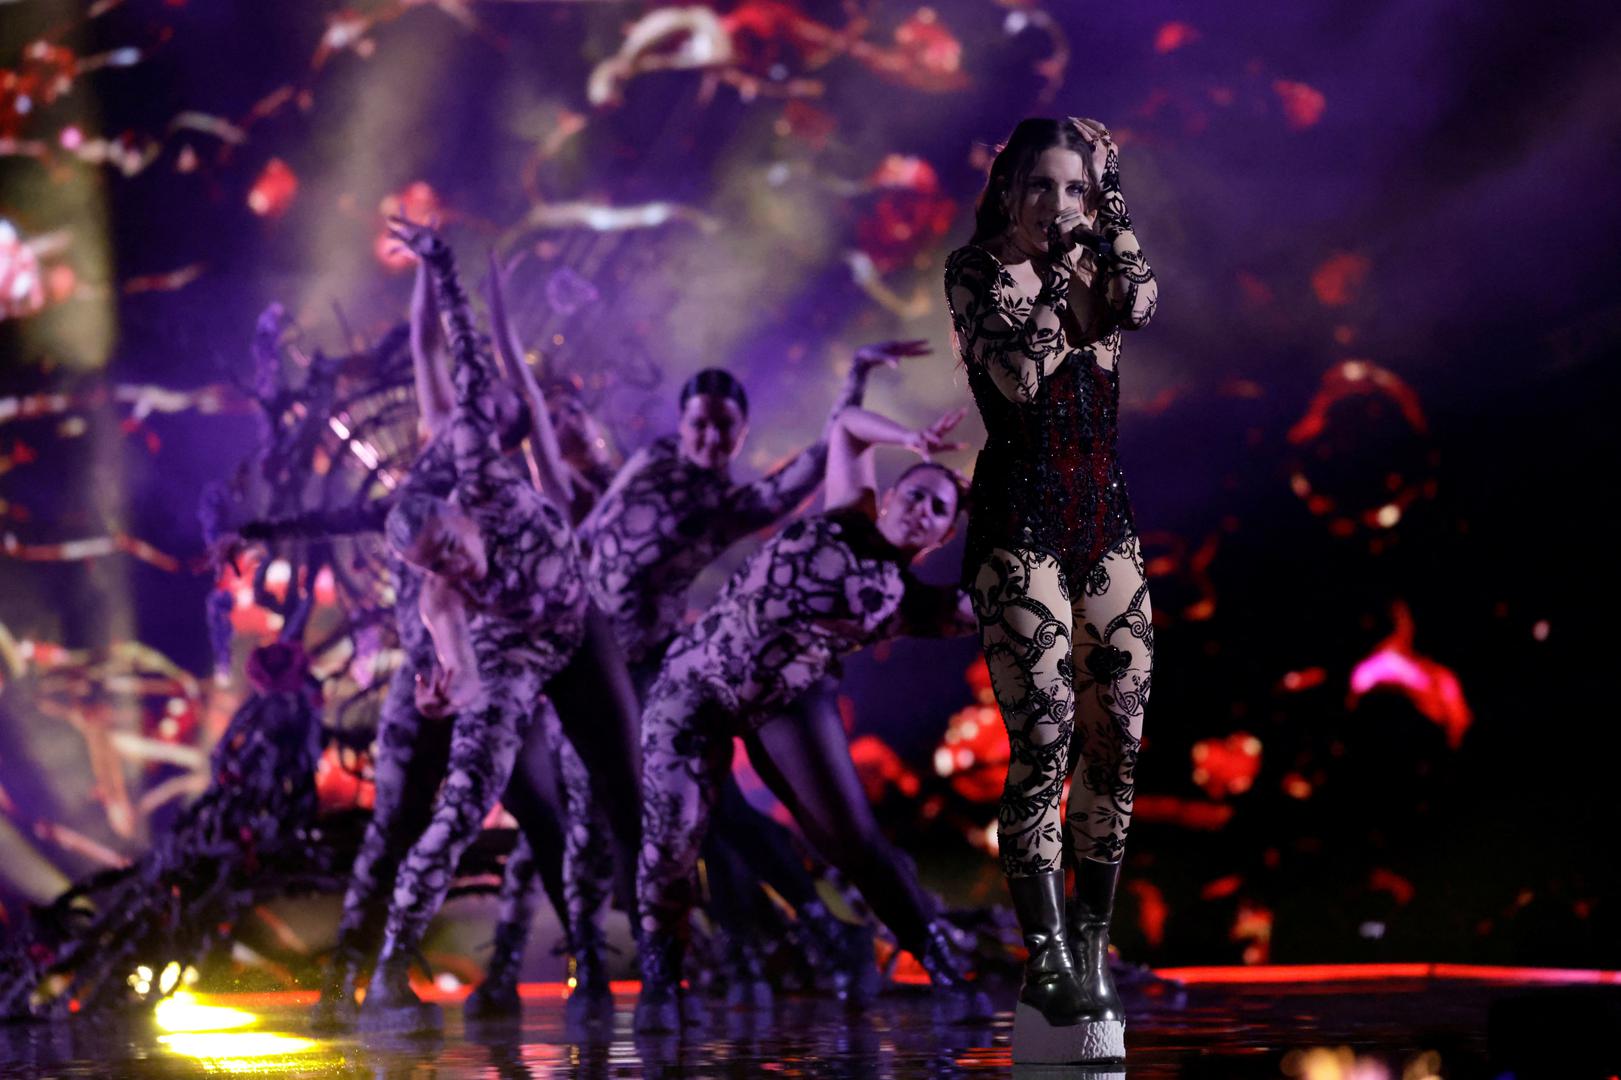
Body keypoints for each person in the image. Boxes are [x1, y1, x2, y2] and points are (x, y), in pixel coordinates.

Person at [632, 403, 997, 1032]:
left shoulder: (913, 602)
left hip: (783, 703)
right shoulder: (846, 511)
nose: (921, 508)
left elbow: (1007, 603)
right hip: (691, 686)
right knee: (670, 842)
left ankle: (941, 967)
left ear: (942, 537)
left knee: (853, 840)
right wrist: (909, 436)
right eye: (914, 493)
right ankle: (662, 981)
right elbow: (847, 423)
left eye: (938, 510)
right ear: (888, 498)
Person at [944, 115, 1157, 1064]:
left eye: (1074, 189)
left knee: (1120, 739)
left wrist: (1110, 206)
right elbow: (1023, 378)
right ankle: (1045, 956)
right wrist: (1064, 266)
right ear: (1007, 190)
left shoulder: (1099, 263)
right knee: (1044, 739)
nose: (1056, 205)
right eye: (1041, 186)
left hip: (1103, 518)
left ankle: (1094, 949)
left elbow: (1140, 302)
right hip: (1018, 523)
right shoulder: (974, 271)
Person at [357, 221, 590, 1033]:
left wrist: (455, 278)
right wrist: (431, 269)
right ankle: (373, 972)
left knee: (559, 808)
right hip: (475, 657)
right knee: (432, 813)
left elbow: (488, 369)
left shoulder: (517, 478)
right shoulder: (451, 475)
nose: (480, 412)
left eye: (495, 408)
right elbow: (432, 351)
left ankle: (591, 962)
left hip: (551, 646)